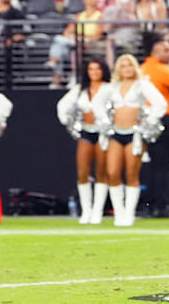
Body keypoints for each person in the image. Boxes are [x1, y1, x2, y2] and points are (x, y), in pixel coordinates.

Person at [95, 54, 167, 226]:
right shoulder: (111, 87)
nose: (126, 68)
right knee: (112, 173)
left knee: (132, 174)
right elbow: (97, 103)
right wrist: (104, 120)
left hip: (135, 135)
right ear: (118, 69)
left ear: (134, 67)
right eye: (123, 65)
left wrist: (149, 121)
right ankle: (119, 213)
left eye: (129, 65)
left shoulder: (142, 85)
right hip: (115, 133)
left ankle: (129, 214)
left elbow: (160, 103)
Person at [56, 59, 112, 224]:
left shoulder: (110, 88)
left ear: (103, 71)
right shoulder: (80, 90)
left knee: (102, 172)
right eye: (91, 69)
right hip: (86, 132)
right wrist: (69, 122)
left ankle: (97, 211)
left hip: (103, 133)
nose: (94, 72)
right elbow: (63, 105)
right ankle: (86, 210)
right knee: (82, 172)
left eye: (97, 69)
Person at [141, 38, 169, 217]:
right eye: (166, 50)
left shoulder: (141, 70)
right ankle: (161, 206)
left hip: (146, 122)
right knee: (164, 166)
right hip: (165, 121)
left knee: (153, 165)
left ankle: (151, 205)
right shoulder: (165, 71)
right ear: (156, 51)